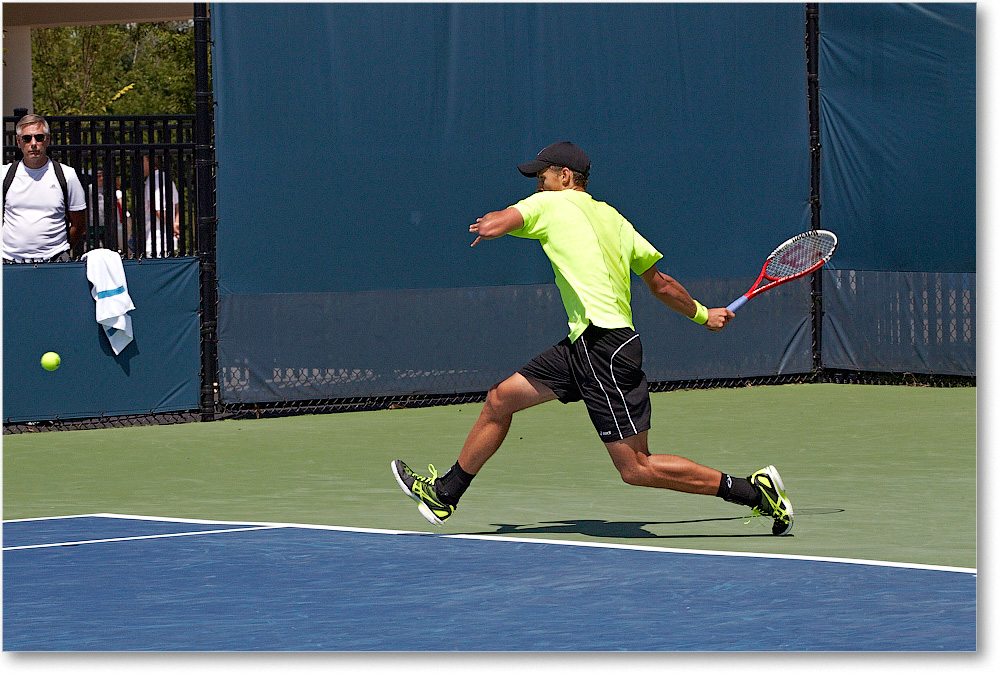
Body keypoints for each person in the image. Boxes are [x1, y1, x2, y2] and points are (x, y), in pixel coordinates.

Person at [391, 141, 794, 536]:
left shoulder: (550, 203)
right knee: (501, 398)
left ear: (565, 177)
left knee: (636, 468)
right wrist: (704, 314)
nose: (537, 185)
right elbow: (661, 283)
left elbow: (499, 222)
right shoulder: (615, 219)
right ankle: (446, 493)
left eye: (542, 177)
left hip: (603, 348)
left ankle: (752, 492)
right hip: (586, 342)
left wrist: (488, 225)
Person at [2, 114, 87, 263]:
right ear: (18, 141)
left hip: (55, 261)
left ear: (47, 139)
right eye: (27, 138)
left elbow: (79, 225)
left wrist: (61, 250)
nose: (33, 143)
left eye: (39, 137)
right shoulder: (4, 175)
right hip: (9, 262)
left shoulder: (67, 175)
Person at [141, 154, 180, 256]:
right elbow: (176, 205)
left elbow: (158, 210)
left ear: (150, 162)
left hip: (156, 240)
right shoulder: (167, 178)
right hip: (166, 239)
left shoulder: (154, 181)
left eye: (143, 161)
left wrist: (173, 226)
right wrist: (176, 224)